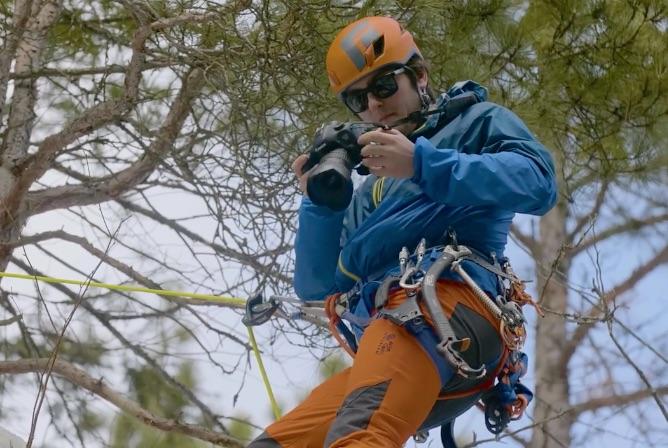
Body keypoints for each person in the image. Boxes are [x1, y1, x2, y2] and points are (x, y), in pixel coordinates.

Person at [248, 15, 557, 448]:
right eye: (358, 98)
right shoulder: (373, 190)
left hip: (446, 308)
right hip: (395, 336)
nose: (374, 105)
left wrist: (423, 164)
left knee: (359, 435)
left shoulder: (476, 122)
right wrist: (320, 206)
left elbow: (538, 182)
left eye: (385, 86)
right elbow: (319, 287)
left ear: (420, 75)